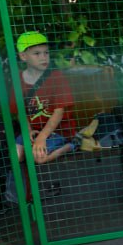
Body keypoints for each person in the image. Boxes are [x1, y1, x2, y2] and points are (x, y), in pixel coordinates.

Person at [9, 32, 81, 166]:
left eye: (46, 53)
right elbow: (20, 112)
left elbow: (59, 113)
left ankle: (71, 145)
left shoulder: (56, 77)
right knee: (15, 156)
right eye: (37, 54)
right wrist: (28, 132)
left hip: (58, 131)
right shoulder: (18, 80)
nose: (43, 57)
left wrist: (42, 138)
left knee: (39, 158)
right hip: (34, 130)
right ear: (23, 56)